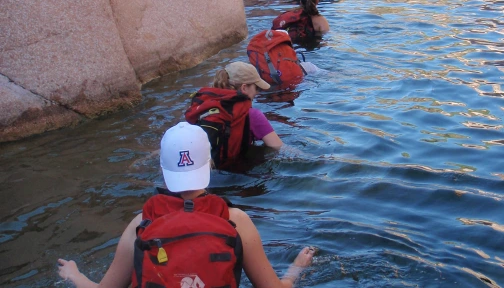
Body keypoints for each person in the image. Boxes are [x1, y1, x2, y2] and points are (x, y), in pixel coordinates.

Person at [58, 122, 315, 288]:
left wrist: (74, 275)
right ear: (210, 165)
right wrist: (295, 270)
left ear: (162, 168)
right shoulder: (236, 221)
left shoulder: (141, 225)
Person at [211, 62, 283, 150]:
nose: (257, 92)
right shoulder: (252, 115)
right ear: (244, 88)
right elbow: (278, 147)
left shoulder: (203, 107)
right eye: (257, 88)